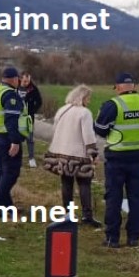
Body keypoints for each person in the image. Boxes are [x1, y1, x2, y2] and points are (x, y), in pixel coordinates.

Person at [94, 73, 139, 248]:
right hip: (138, 159)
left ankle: (112, 238)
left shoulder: (112, 105)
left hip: (117, 159)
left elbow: (99, 129)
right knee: (136, 198)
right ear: (134, 86)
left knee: (113, 198)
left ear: (118, 87)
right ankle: (134, 238)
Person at [43, 84, 101, 227]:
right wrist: (93, 154)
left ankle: (68, 215)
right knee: (84, 184)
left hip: (61, 153)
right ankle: (87, 216)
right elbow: (88, 136)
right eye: (88, 98)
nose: (89, 101)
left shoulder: (62, 110)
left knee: (66, 183)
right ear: (82, 97)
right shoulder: (84, 113)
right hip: (78, 155)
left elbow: (55, 131)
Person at [0, 67, 30, 207]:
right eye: (18, 79)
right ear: (14, 79)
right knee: (12, 173)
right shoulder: (10, 95)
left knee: (1, 172)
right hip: (7, 139)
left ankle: (6, 207)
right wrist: (15, 141)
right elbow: (11, 119)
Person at [18, 71, 42, 168]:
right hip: (16, 116)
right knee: (17, 138)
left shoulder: (33, 89)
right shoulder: (15, 87)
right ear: (21, 79)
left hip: (28, 117)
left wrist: (32, 110)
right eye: (24, 81)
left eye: (28, 81)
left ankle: (31, 158)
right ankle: (17, 158)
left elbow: (39, 102)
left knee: (29, 138)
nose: (26, 83)